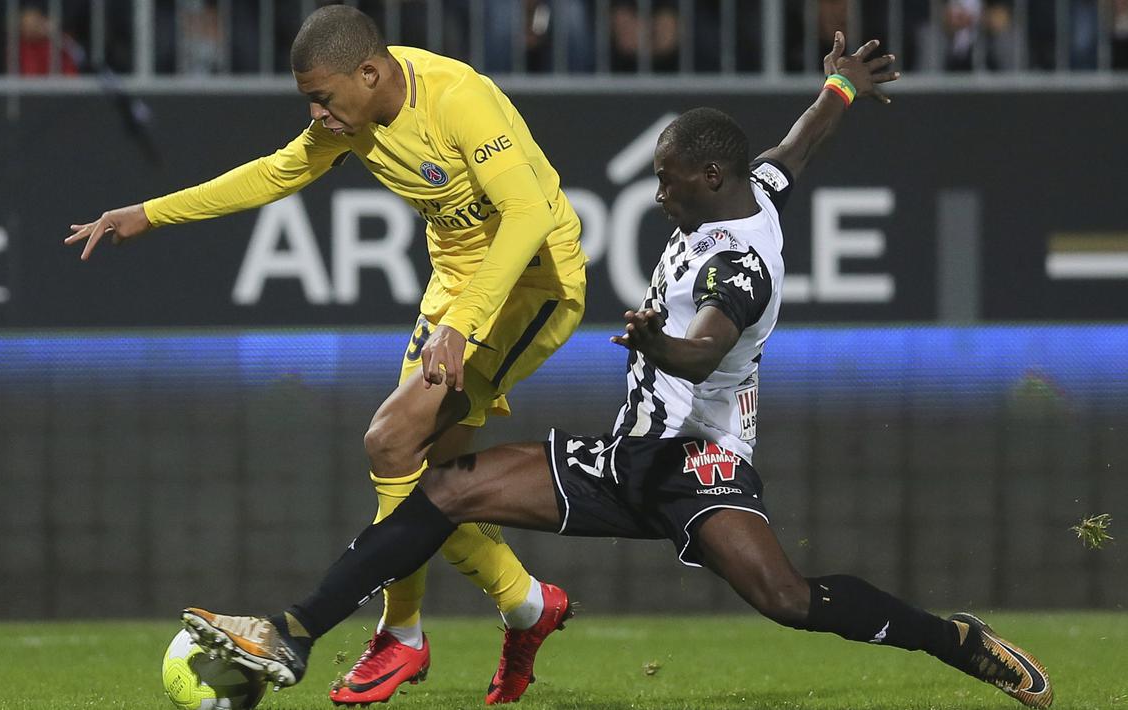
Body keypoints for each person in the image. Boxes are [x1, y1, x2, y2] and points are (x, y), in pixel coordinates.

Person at [179, 32, 1053, 709]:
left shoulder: (737, 268)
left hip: (694, 464)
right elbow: (796, 149)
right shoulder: (752, 189)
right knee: (443, 488)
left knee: (786, 599)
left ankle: (955, 642)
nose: (658, 194)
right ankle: (293, 633)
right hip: (628, 454)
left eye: (668, 183)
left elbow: (705, 346)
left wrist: (650, 344)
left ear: (709, 177)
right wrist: (841, 88)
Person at [64, 5, 586, 706]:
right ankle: (524, 605)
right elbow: (274, 174)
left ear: (369, 73)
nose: (316, 114)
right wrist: (151, 212)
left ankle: (403, 636)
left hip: (532, 282)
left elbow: (524, 215)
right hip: (456, 292)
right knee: (431, 479)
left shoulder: (457, 99)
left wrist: (461, 325)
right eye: (309, 99)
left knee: (392, 441)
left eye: (323, 97)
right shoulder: (354, 115)